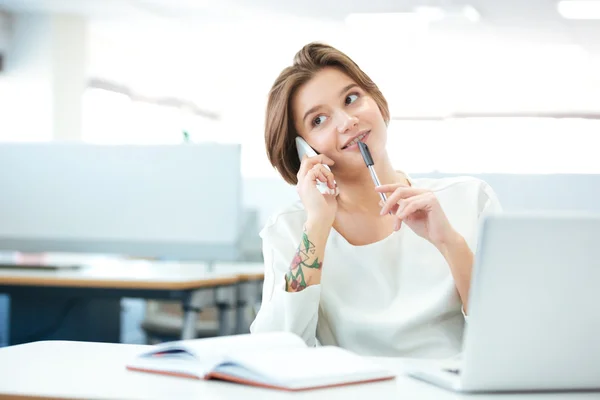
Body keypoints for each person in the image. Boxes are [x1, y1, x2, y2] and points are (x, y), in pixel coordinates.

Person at [249, 42, 502, 359]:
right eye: (319, 120)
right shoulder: (291, 228)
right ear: (302, 150)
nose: (346, 121)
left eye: (351, 99)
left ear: (379, 103)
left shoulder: (470, 199)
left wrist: (449, 242)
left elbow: (507, 335)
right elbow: (276, 351)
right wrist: (317, 225)